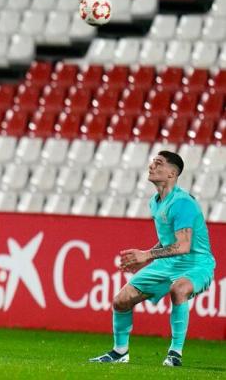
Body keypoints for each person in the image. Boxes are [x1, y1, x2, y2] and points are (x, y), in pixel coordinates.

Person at [90, 151, 215, 367]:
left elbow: (184, 245)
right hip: (167, 264)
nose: (151, 166)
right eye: (152, 162)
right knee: (121, 301)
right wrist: (148, 256)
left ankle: (174, 353)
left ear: (172, 173)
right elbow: (168, 242)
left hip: (196, 263)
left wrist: (147, 255)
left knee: (179, 289)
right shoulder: (155, 202)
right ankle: (120, 352)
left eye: (159, 163)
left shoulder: (183, 202)